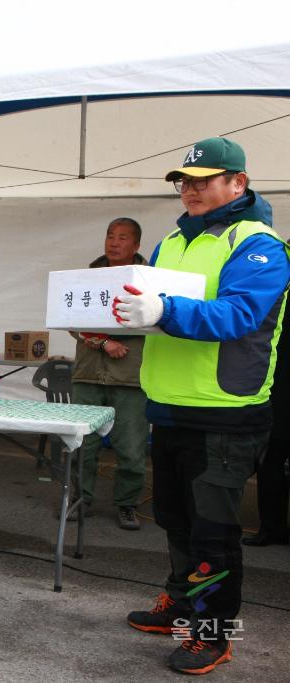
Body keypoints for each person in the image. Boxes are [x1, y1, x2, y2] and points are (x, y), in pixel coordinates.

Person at [115, 137, 290, 675]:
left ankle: (212, 632)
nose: (190, 190)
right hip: (168, 405)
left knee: (214, 532)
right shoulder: (171, 240)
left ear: (238, 183)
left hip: (225, 413)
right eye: (184, 182)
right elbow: (151, 309)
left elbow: (238, 315)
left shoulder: (259, 244)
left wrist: (162, 310)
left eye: (204, 180)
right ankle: (181, 604)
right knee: (174, 518)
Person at [70, 218, 150, 530]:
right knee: (82, 443)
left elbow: (159, 320)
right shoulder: (86, 278)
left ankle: (127, 504)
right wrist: (103, 342)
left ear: (136, 245)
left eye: (122, 237)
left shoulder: (151, 279)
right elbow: (70, 319)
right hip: (89, 373)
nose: (114, 242)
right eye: (110, 236)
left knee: (131, 447)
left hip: (131, 376)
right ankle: (80, 498)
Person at [242, 326, 289, 546]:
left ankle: (272, 528)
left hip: (276, 391)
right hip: (277, 391)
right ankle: (272, 528)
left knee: (271, 462)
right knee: (271, 463)